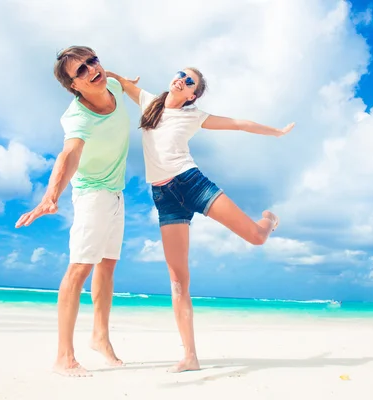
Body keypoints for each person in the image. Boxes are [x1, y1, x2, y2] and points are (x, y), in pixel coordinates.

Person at [106, 68, 295, 372]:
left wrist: (277, 132)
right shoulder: (149, 101)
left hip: (193, 184)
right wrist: (100, 69)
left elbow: (239, 124)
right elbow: (118, 82)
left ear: (192, 95)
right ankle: (190, 357)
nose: (181, 79)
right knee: (178, 281)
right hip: (164, 197)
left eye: (189, 81)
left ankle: (269, 219)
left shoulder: (194, 115)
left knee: (257, 237)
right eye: (181, 73)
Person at [15, 46, 135, 377]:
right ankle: (64, 357)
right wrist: (50, 196)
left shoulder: (109, 84)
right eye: (79, 71)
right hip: (92, 194)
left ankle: (99, 337)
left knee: (107, 266)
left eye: (92, 62)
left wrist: (127, 79)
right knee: (79, 269)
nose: (91, 70)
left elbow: (115, 78)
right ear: (74, 86)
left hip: (116, 192)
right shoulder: (78, 117)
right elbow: (69, 154)